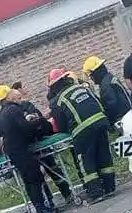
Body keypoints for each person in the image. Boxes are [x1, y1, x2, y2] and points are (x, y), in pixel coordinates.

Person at [47, 68, 116, 201]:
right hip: (101, 122)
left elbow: (60, 126)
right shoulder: (82, 88)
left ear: (53, 86)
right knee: (103, 155)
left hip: (82, 129)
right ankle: (109, 187)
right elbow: (97, 102)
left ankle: (95, 193)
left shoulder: (58, 100)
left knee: (86, 160)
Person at [0, 85, 60, 213]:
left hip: (13, 151)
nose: (20, 100)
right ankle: (42, 209)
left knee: (28, 180)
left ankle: (40, 207)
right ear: (9, 97)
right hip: (21, 149)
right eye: (17, 97)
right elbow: (25, 128)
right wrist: (38, 122)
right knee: (34, 178)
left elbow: (1, 135)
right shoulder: (13, 110)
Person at [11, 81, 73, 208]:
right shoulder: (18, 109)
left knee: (52, 169)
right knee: (43, 174)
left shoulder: (24, 107)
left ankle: (65, 194)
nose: (21, 99)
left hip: (37, 142)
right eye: (18, 97)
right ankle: (52, 199)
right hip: (33, 144)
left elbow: (38, 118)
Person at [82, 55, 132, 124]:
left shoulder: (106, 86)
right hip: (128, 114)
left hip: (123, 119)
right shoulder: (109, 78)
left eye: (90, 75)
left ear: (95, 73)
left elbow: (111, 108)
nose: (91, 78)